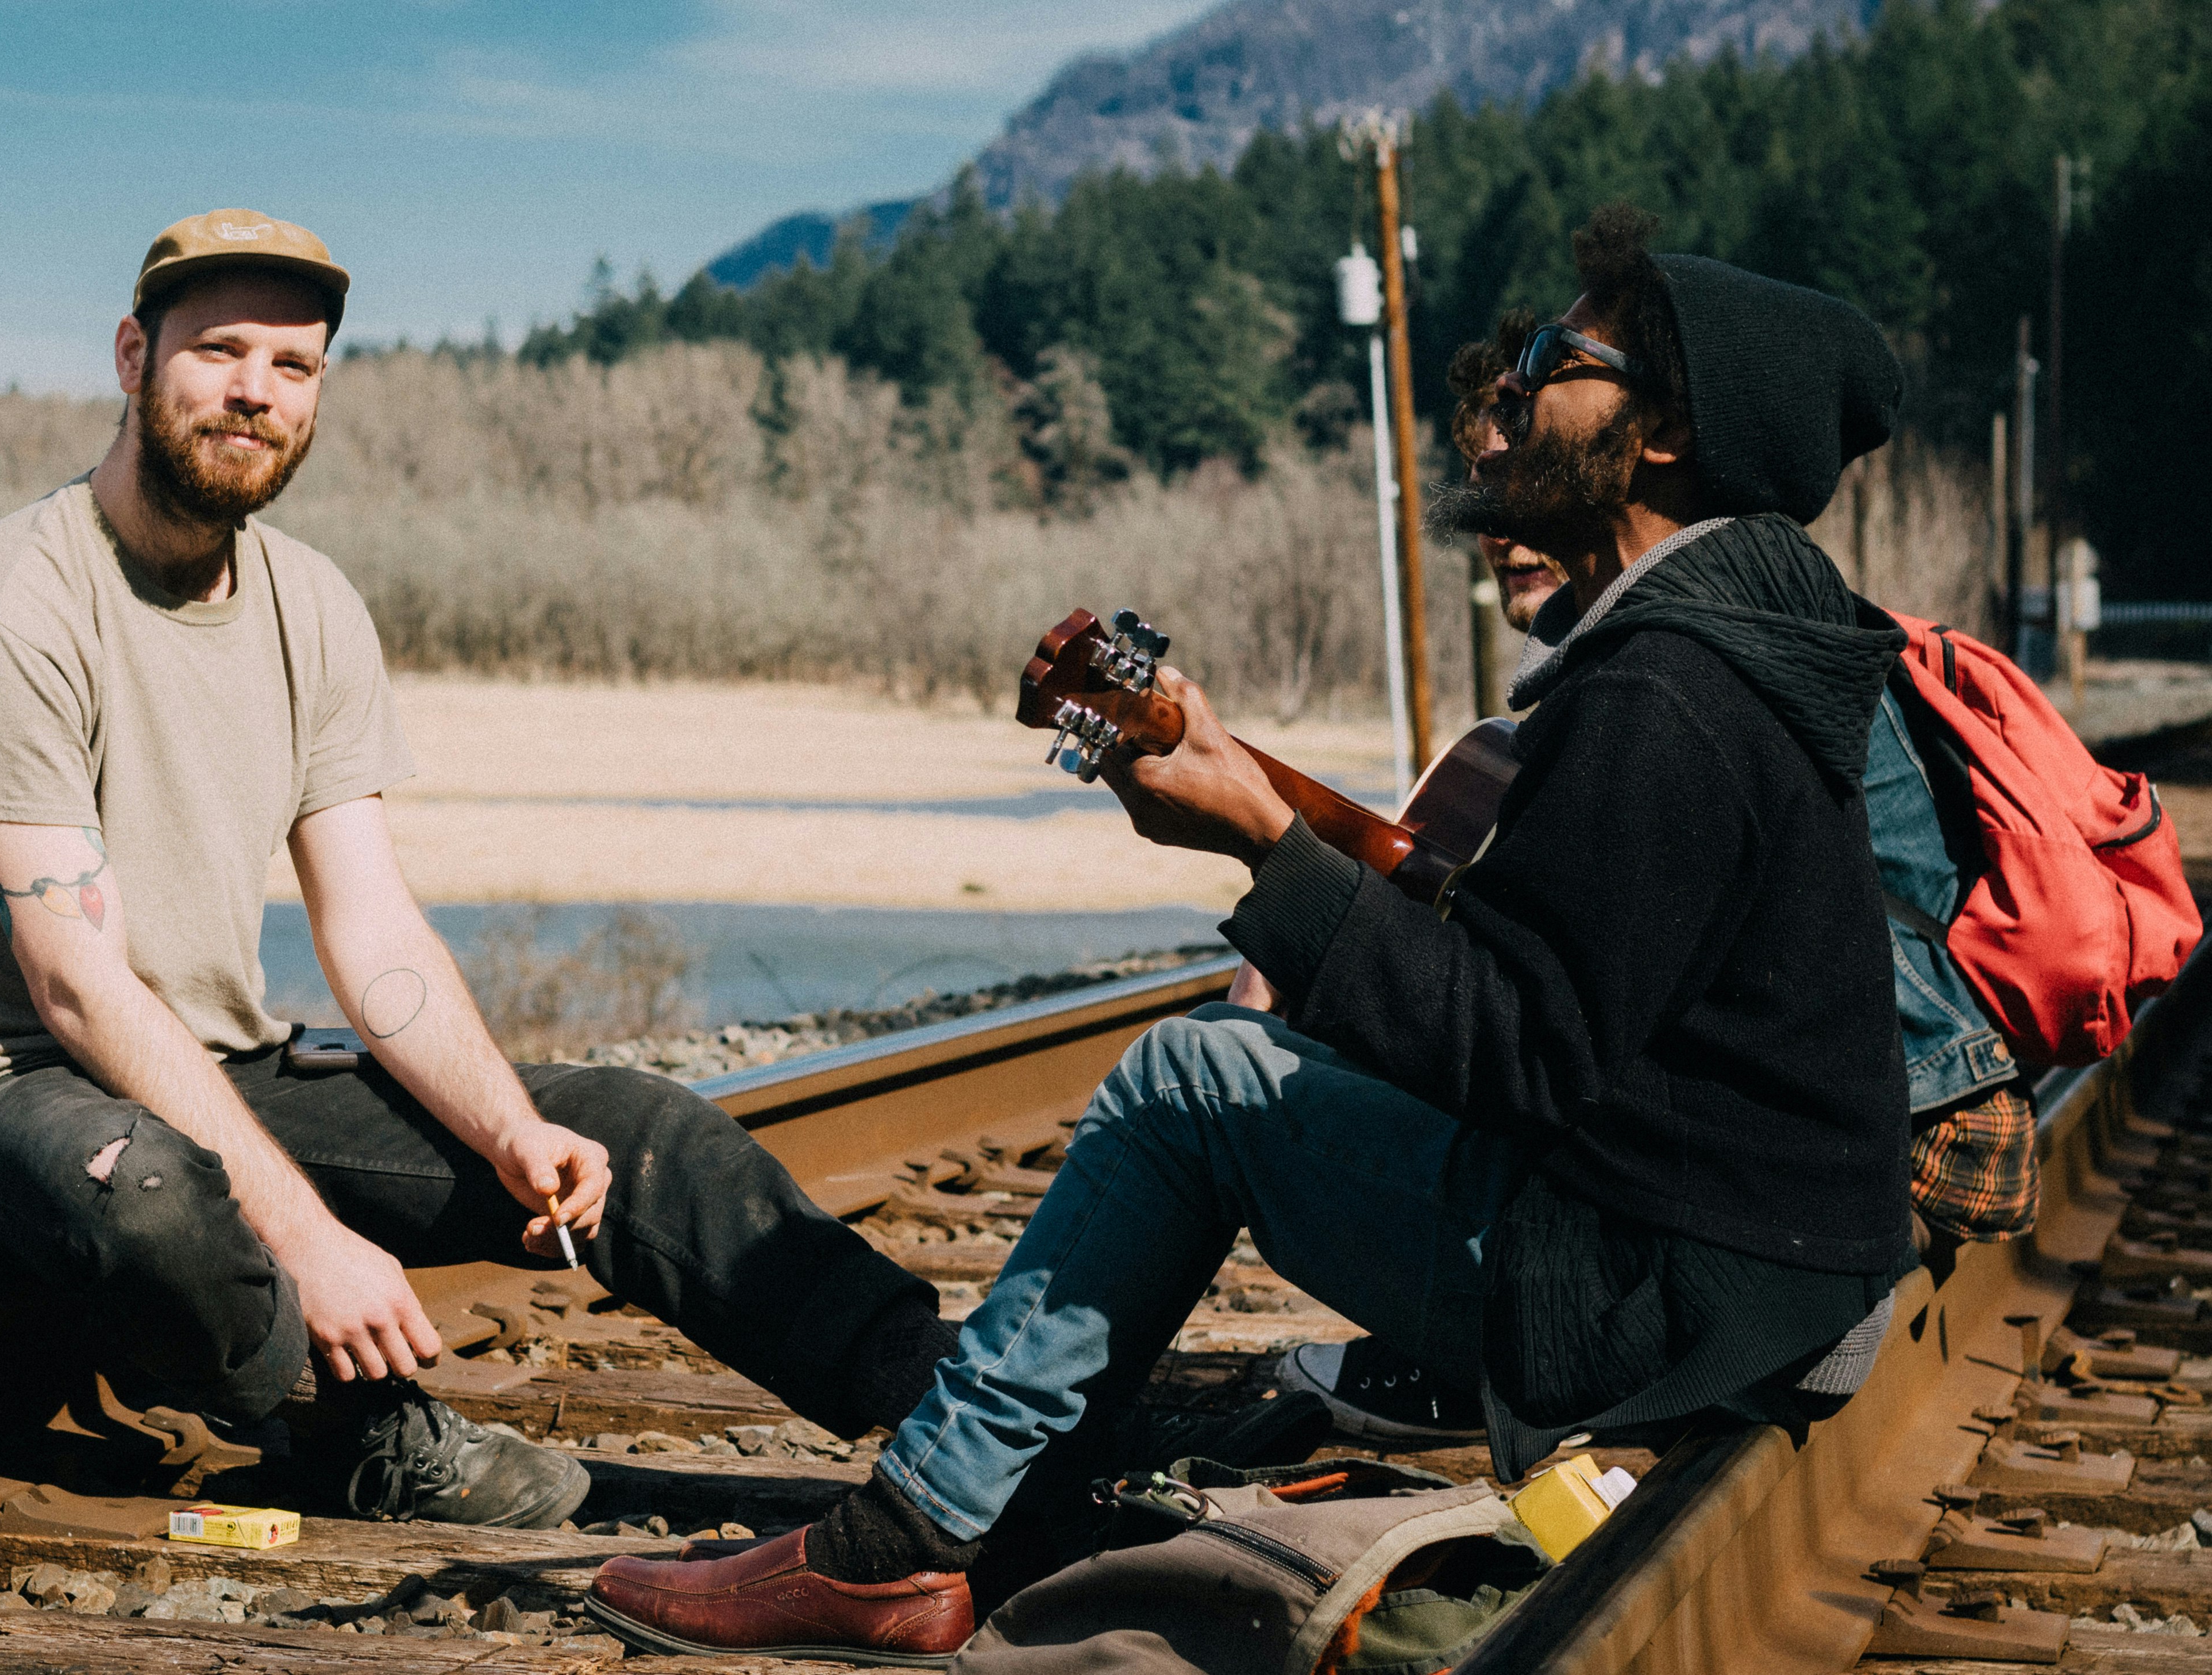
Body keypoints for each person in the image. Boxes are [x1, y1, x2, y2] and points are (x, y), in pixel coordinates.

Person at [583, 204, 1916, 1660]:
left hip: (1662, 1303)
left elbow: (1521, 1047)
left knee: (1188, 1083)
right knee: (1230, 1058)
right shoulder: (1739, 658)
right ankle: (996, 1512)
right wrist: (1277, 833)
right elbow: (1565, 995)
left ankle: (905, 1540)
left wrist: (1267, 840)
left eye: (1554, 357)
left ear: (1660, 432)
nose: (1514, 389)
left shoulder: (1667, 694)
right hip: (1742, 1267)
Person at [0, 209, 955, 1530]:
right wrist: (308, 1243)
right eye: (218, 352)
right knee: (153, 1193)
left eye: (294, 365)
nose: (254, 392)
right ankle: (359, 1439)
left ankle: (955, 1403)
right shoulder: (9, 608)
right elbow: (77, 989)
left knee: (630, 1127)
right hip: (6, 1100)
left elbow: (370, 924)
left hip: (211, 1065)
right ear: (133, 357)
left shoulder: (308, 603)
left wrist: (507, 1131)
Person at [1283, 354, 2036, 1445]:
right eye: (1491, 499)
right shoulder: (1750, 626)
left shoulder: (1698, 673)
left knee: (1250, 1073)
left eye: (1522, 479)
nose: (1501, 525)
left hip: (1897, 1136)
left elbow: (1561, 1036)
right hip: (1849, 1142)